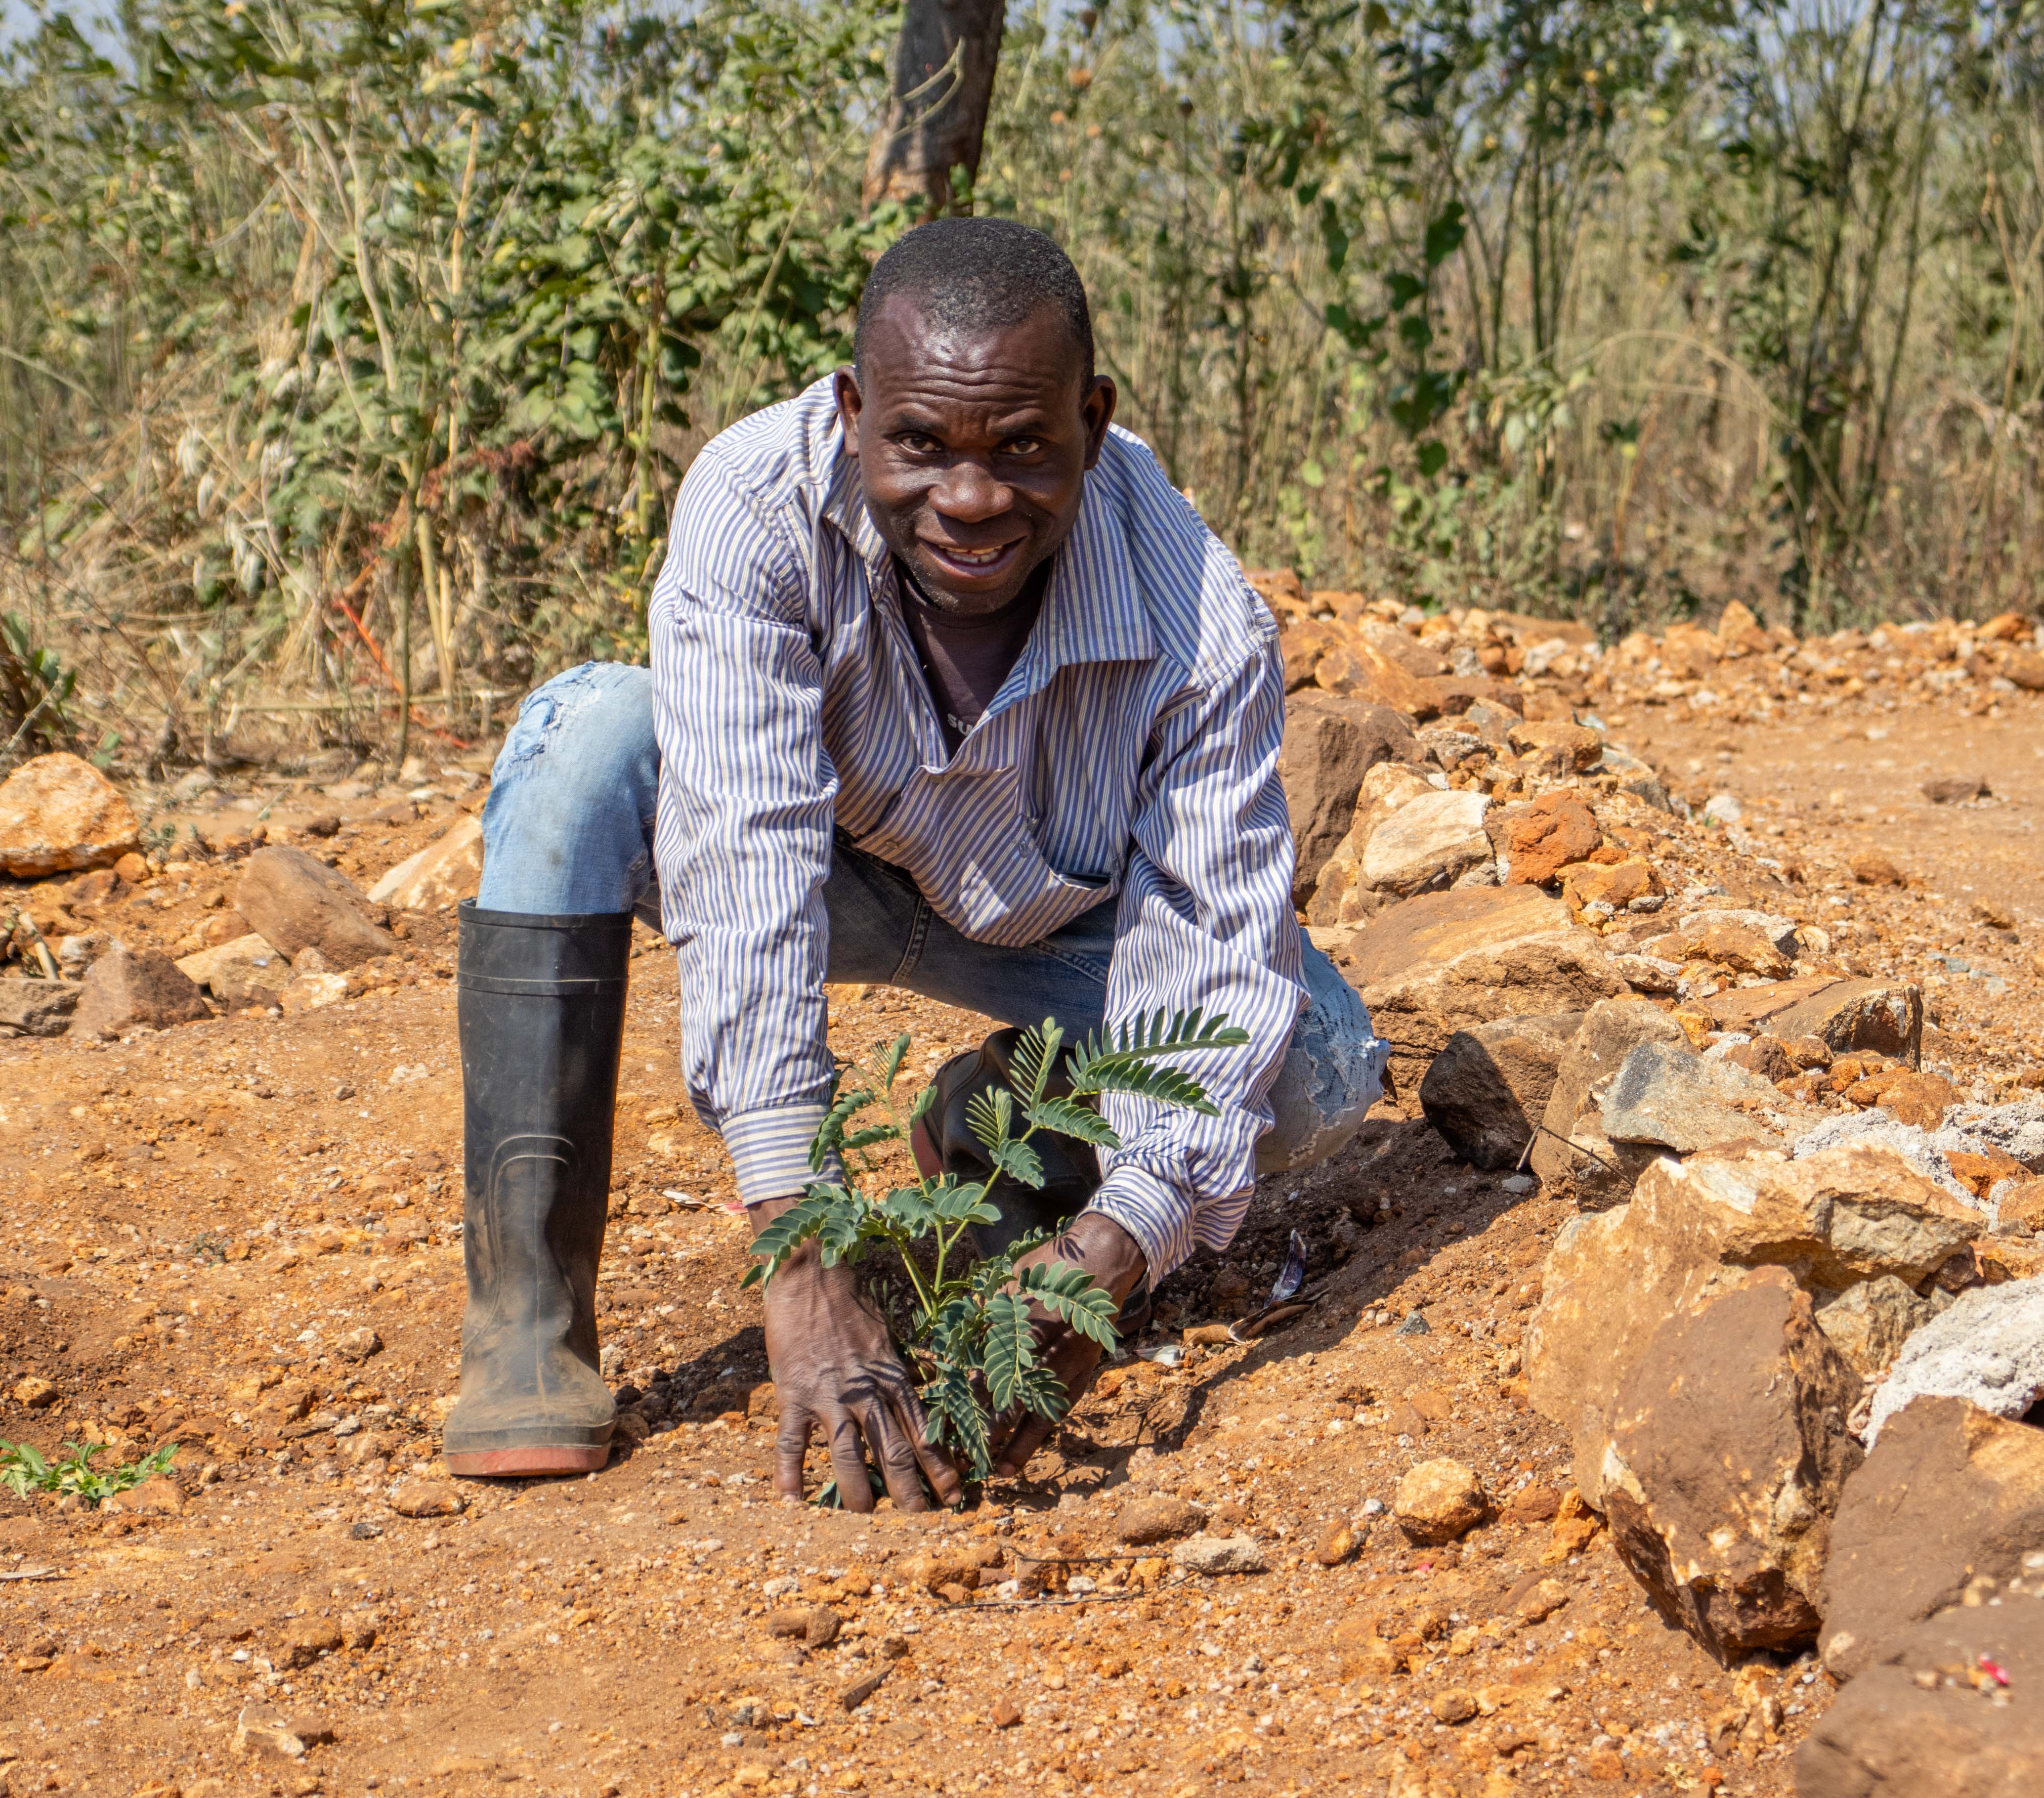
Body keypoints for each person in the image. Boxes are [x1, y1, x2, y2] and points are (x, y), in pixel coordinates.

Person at [445, 216, 1384, 1509]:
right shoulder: (755, 506)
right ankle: (528, 1325)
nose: (972, 498)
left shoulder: (1196, 612)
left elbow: (1214, 950)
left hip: (1061, 926)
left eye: (1022, 449)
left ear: (1093, 420)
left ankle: (998, 1133)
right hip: (830, 871)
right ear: (850, 414)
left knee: (1318, 1065)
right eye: (921, 445)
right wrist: (803, 1259)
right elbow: (744, 861)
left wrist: (1118, 1242)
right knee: (588, 736)